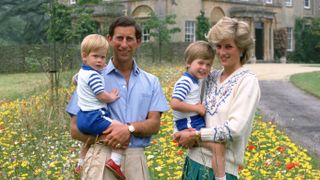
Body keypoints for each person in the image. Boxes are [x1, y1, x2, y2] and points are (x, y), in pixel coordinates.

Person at [66, 16, 169, 180]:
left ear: (138, 42)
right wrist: (106, 138)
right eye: (119, 38)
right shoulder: (91, 77)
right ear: (109, 40)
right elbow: (74, 128)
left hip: (136, 161)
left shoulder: (151, 82)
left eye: (129, 39)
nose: (124, 44)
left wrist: (128, 129)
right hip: (100, 156)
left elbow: (154, 125)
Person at [174, 16, 261, 180]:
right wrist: (179, 132)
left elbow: (234, 130)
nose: (221, 52)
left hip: (222, 170)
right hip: (193, 162)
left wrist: (196, 135)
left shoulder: (247, 81)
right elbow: (186, 105)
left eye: (228, 46)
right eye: (219, 46)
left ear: (242, 49)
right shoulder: (208, 77)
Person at [74, 34, 129, 179]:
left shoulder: (81, 73)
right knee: (121, 130)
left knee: (90, 140)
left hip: (82, 117)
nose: (99, 61)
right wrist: (111, 96)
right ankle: (115, 162)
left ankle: (80, 163)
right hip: (95, 115)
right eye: (95, 56)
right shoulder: (94, 75)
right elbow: (100, 95)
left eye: (103, 57)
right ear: (84, 56)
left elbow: (75, 80)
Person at [171, 41, 226, 179]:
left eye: (208, 64)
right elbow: (175, 103)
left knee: (214, 145)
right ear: (188, 63)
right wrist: (196, 108)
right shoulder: (185, 82)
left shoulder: (195, 80)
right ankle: (221, 177)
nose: (204, 68)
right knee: (217, 147)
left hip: (192, 122)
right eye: (200, 63)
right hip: (188, 123)